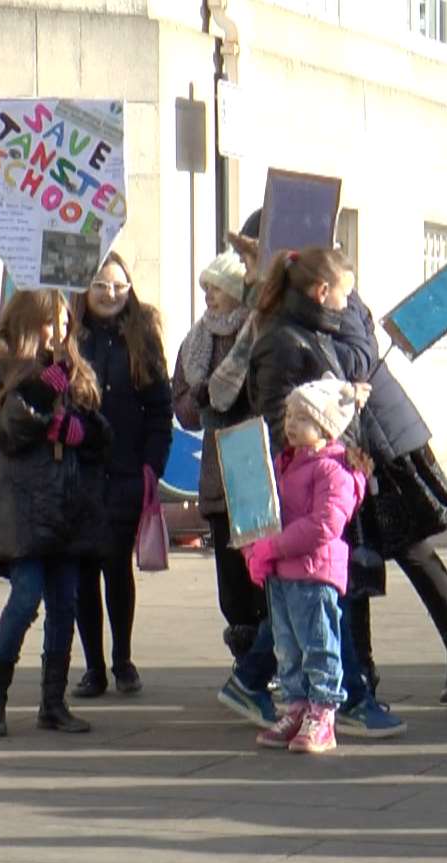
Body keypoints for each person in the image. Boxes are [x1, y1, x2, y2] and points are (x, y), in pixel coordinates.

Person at [215, 244, 404, 738]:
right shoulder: (283, 340)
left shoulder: (309, 332)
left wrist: (345, 398)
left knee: (316, 600)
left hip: (318, 478)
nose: (348, 305)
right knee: (319, 602)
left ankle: (282, 689)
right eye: (345, 295)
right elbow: (282, 417)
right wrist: (333, 418)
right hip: (305, 491)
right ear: (322, 291)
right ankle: (341, 700)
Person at [0, 290, 111, 736]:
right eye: (53, 323)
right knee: (26, 595)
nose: (61, 332)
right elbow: (5, 433)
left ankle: (53, 701)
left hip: (67, 502)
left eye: (67, 323)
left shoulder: (73, 365)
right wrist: (36, 389)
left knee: (65, 603)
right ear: (29, 321)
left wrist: (80, 431)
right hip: (21, 503)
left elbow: (101, 435)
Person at [69, 253, 173, 697]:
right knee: (82, 572)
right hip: (77, 472)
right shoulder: (70, 336)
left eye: (118, 286)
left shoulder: (142, 335)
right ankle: (93, 667)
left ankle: (122, 660)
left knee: (116, 567)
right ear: (85, 291)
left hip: (127, 472)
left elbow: (159, 409)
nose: (110, 294)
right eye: (100, 286)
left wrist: (152, 466)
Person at [247, 378, 369, 753]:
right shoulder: (288, 465)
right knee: (287, 647)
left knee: (319, 643)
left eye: (302, 418)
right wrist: (256, 546)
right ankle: (297, 705)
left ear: (326, 427)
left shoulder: (334, 470)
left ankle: (323, 712)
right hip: (284, 573)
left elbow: (324, 525)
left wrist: (273, 546)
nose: (291, 424)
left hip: (315, 573)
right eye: (289, 415)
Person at [170, 250, 262, 662]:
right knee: (230, 576)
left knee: (260, 568)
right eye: (205, 287)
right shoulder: (195, 342)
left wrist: (230, 390)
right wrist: (201, 396)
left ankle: (266, 657)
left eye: (217, 287)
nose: (208, 295)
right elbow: (185, 412)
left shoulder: (257, 333)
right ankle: (245, 658)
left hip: (256, 464)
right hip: (218, 472)